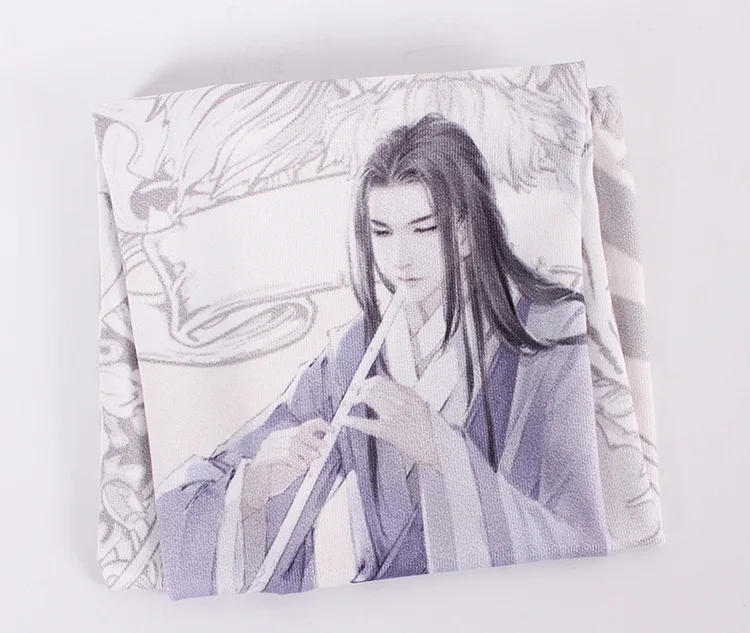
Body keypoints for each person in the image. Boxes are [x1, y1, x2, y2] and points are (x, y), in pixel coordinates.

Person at [156, 113, 610, 599]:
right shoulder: (353, 355)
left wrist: (440, 450)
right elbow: (182, 525)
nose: (400, 258)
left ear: (464, 232)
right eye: (383, 232)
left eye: (423, 229)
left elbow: (582, 538)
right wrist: (260, 481)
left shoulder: (551, 335)